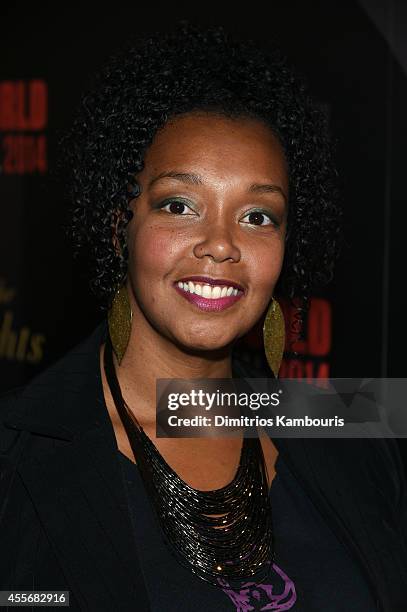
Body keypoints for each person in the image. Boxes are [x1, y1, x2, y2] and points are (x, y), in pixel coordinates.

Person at [0, 23, 406, 612]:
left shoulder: (355, 432)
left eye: (258, 216)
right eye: (179, 205)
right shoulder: (15, 459)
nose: (221, 244)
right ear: (121, 228)